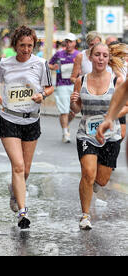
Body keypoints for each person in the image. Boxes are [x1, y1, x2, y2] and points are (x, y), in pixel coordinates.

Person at [0, 25, 54, 229]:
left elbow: (50, 87)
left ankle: (14, 189)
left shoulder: (41, 63)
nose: (26, 49)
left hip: (32, 119)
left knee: (25, 169)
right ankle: (23, 213)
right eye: (22, 45)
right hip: (10, 118)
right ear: (15, 45)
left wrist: (43, 94)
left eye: (30, 45)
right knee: (18, 165)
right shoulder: (5, 63)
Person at [70, 42, 126, 230]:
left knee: (101, 180)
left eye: (104, 55)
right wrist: (74, 103)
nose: (101, 58)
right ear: (90, 57)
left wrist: (109, 118)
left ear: (109, 58)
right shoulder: (81, 80)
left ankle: (91, 185)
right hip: (87, 134)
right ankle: (85, 215)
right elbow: (77, 109)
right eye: (97, 55)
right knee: (87, 173)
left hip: (111, 135)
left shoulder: (116, 80)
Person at [48, 33, 80, 143]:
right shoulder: (59, 54)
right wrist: (54, 67)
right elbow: (49, 65)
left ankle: (66, 124)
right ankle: (65, 132)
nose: (69, 44)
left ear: (75, 43)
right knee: (64, 111)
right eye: (67, 41)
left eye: (71, 41)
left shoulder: (79, 55)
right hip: (61, 84)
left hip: (75, 85)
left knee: (73, 112)